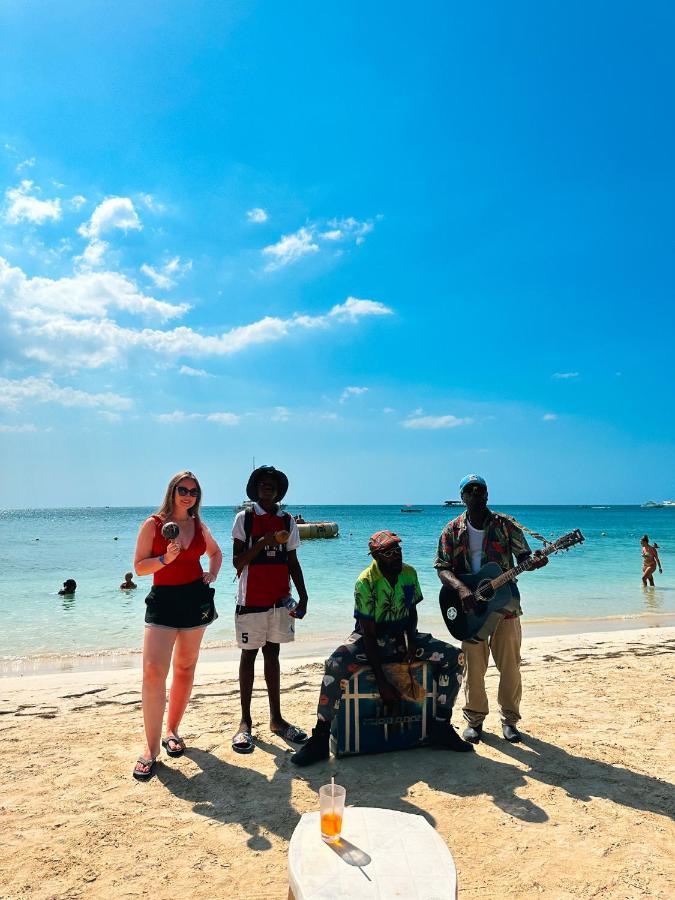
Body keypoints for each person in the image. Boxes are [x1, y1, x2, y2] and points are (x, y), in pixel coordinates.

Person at [291, 529, 473, 766]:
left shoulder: (409, 573)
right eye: (388, 552)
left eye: (398, 549)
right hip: (370, 639)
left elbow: (412, 611)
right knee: (335, 664)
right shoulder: (365, 582)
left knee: (455, 657)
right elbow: (367, 633)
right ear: (375, 556)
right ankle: (320, 739)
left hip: (401, 636)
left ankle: (441, 725)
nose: (396, 555)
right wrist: (382, 682)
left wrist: (410, 639)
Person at [435, 474, 548, 744]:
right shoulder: (452, 529)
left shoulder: (505, 525)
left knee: (510, 666)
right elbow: (442, 567)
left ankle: (510, 720)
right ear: (462, 496)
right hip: (469, 609)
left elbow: (524, 557)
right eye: (469, 490)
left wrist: (535, 562)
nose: (475, 494)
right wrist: (462, 590)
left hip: (505, 605)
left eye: (480, 489)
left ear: (487, 494)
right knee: (474, 668)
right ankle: (474, 720)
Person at [131, 470, 222, 781]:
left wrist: (212, 573)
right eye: (182, 489)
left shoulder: (199, 525)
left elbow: (216, 552)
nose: (188, 495)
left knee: (185, 667)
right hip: (163, 601)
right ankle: (151, 749)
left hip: (194, 599)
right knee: (153, 671)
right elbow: (140, 568)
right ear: (171, 491)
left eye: (193, 491)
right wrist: (165, 560)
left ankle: (172, 730)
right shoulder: (153, 525)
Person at [231, 465, 309, 754]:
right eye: (263, 484)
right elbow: (238, 562)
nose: (268, 488)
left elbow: (292, 561)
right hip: (251, 599)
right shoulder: (246, 518)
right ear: (255, 488)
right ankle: (245, 722)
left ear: (279, 490)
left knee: (273, 655)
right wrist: (263, 541)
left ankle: (276, 720)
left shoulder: (287, 521)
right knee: (248, 656)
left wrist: (303, 594)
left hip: (280, 599)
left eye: (272, 485)